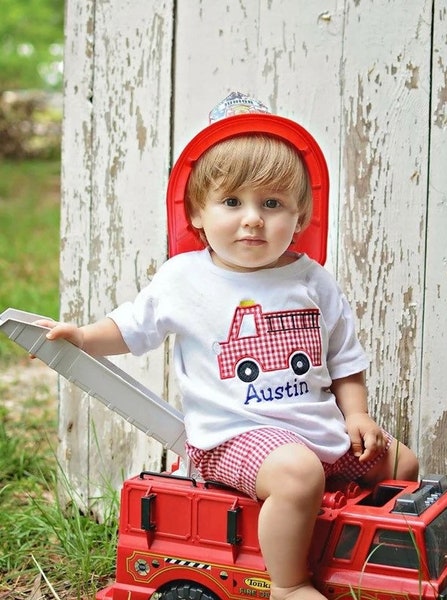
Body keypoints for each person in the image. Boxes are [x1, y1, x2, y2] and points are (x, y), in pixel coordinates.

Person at [41, 93, 419, 600]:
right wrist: (85, 336)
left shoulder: (313, 280)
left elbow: (345, 361)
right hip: (231, 438)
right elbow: (132, 326)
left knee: (401, 464)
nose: (252, 219)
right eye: (232, 202)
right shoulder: (185, 278)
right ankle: (288, 583)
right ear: (197, 213)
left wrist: (357, 415)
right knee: (298, 472)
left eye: (272, 204)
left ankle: (339, 549)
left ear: (301, 216)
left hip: (316, 431)